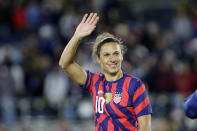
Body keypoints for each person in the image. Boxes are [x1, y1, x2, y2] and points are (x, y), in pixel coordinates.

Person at [59, 13, 152, 131]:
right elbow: (64, 63)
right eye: (107, 55)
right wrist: (77, 36)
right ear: (98, 59)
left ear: (122, 56)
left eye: (116, 54)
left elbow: (145, 127)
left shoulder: (134, 85)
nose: (112, 59)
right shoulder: (94, 82)